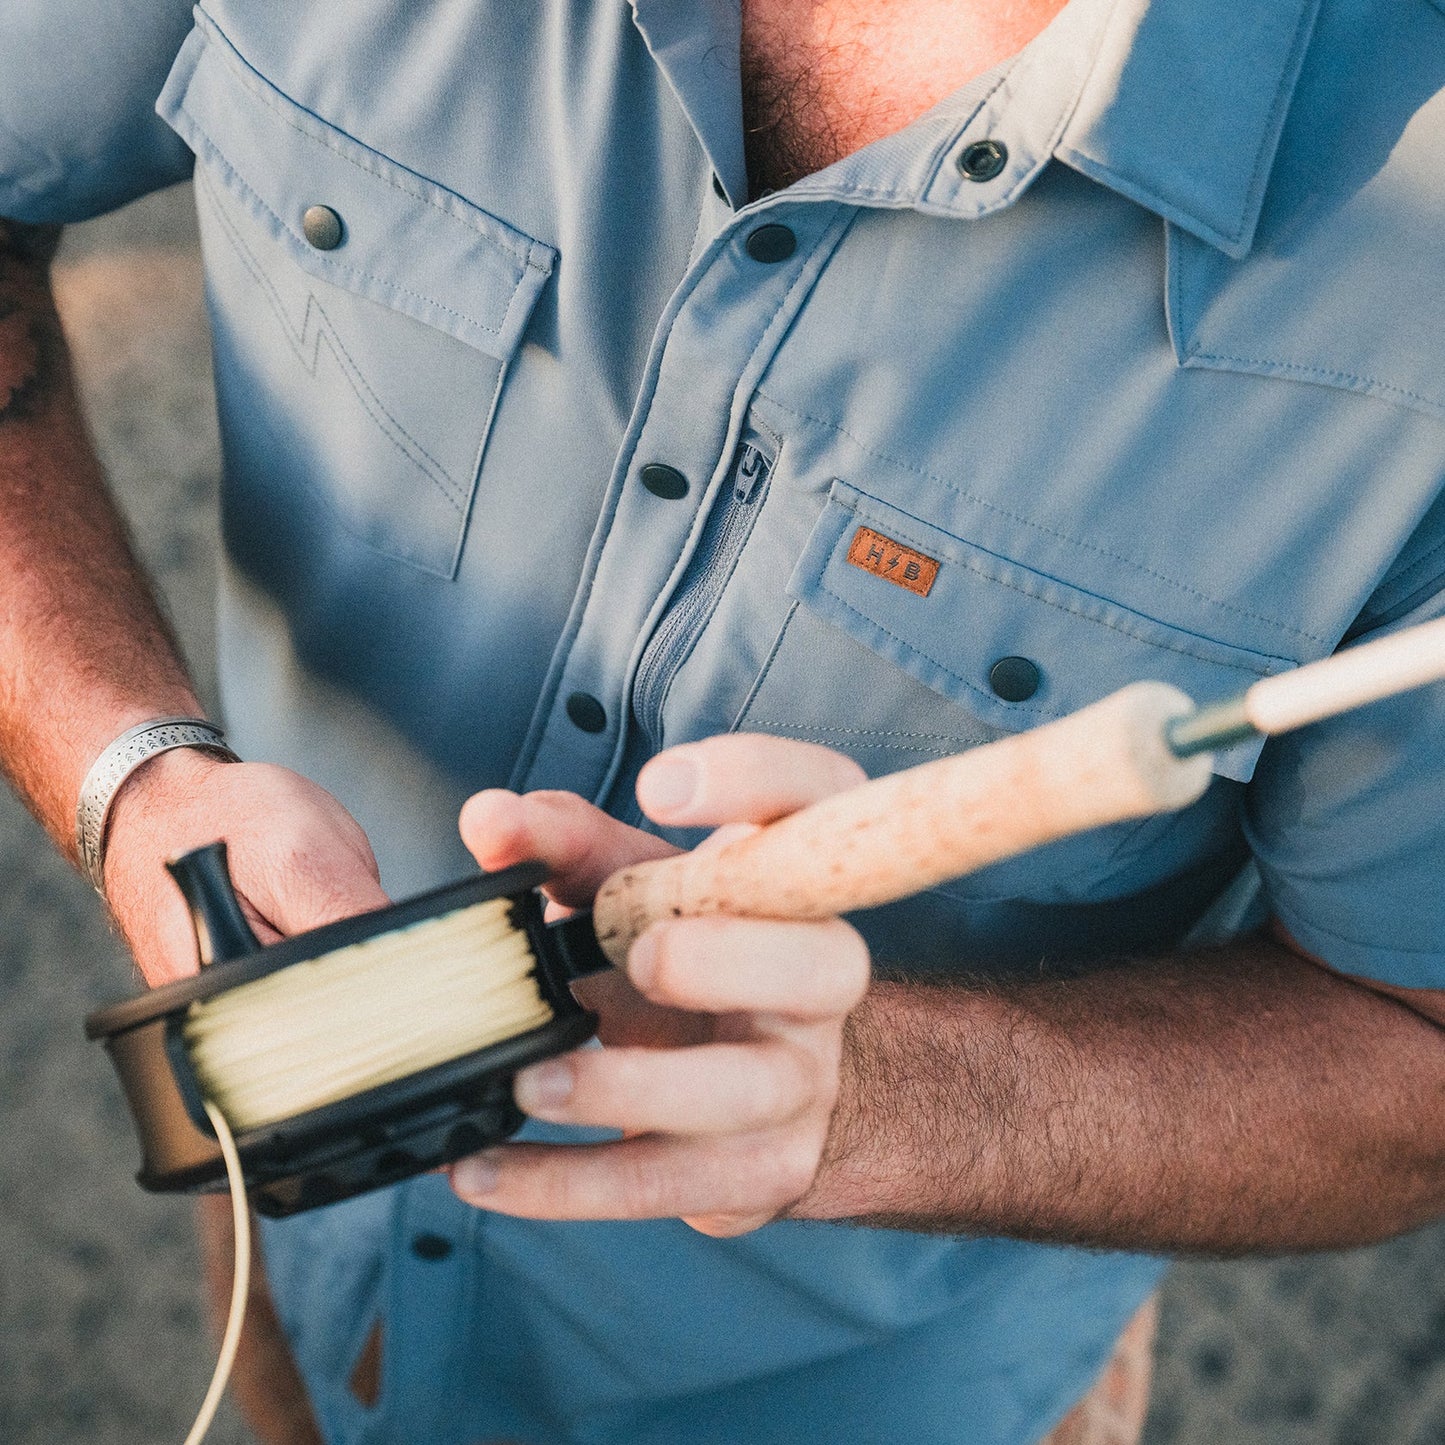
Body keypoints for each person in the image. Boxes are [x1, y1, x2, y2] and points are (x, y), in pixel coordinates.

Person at [3, 0, 1445, 1442]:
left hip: (853, 1400)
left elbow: (1412, 1048)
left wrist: (896, 1098)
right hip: (300, 1278)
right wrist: (123, 768)